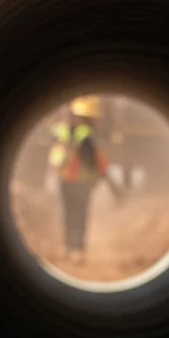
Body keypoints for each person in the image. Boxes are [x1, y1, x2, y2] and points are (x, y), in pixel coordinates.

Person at [49, 97, 109, 264]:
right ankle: (76, 249)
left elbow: (56, 152)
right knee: (79, 215)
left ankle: (69, 247)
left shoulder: (63, 130)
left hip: (65, 179)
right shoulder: (86, 135)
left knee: (68, 215)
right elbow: (92, 162)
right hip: (80, 183)